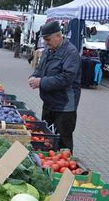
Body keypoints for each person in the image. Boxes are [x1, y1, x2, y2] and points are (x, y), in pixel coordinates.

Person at [28, 21, 81, 152]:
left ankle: (66, 169)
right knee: (47, 138)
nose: (46, 43)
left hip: (64, 105)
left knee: (63, 141)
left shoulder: (71, 53)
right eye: (45, 40)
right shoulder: (48, 50)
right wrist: (33, 76)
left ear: (58, 36)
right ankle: (50, 164)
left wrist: (41, 82)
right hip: (49, 102)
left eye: (48, 39)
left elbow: (66, 78)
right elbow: (40, 69)